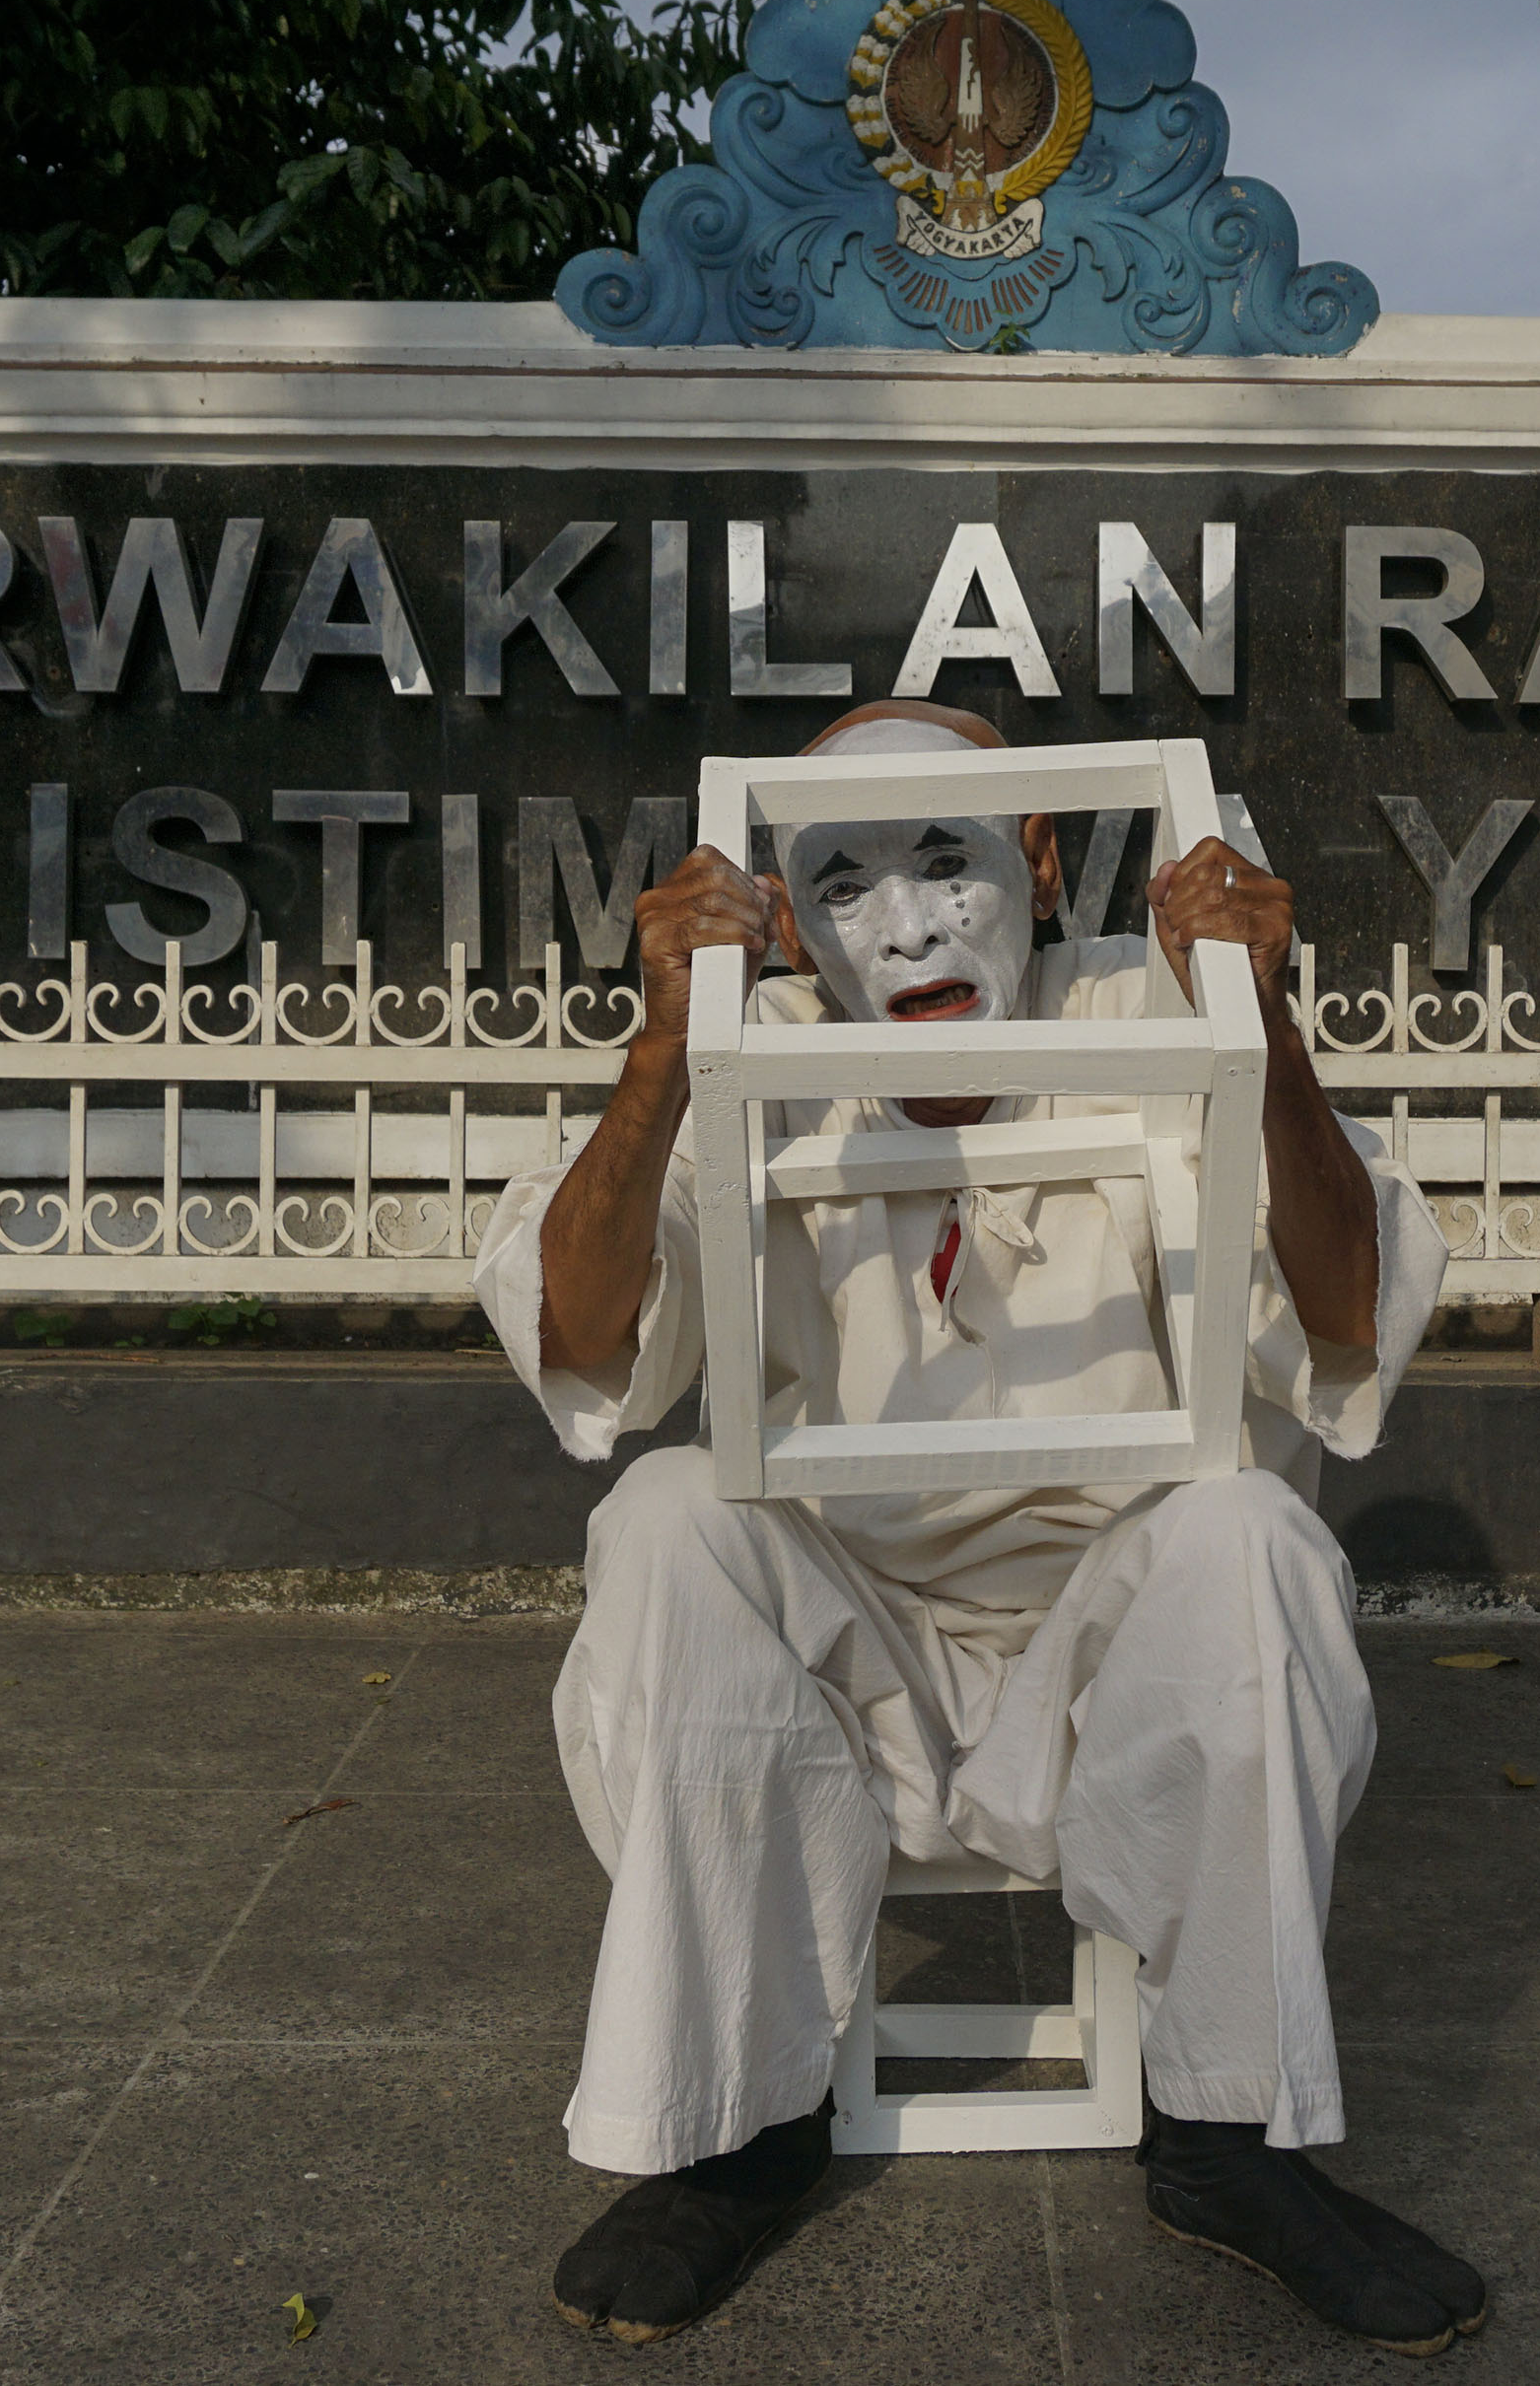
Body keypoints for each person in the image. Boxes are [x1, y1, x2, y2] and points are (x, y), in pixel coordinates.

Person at [470, 701, 1485, 2353]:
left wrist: (1267, 1026)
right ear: (785, 916)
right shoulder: (752, 1047)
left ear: (1041, 857)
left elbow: (1353, 1318)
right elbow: (582, 1345)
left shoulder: (1157, 1015)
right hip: (849, 1657)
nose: (913, 926)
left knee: (1252, 1536)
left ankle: (1230, 2138)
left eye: (950, 861)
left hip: (1114, 1658)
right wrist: (660, 1051)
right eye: (846, 882)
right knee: (663, 1516)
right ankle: (739, 2125)